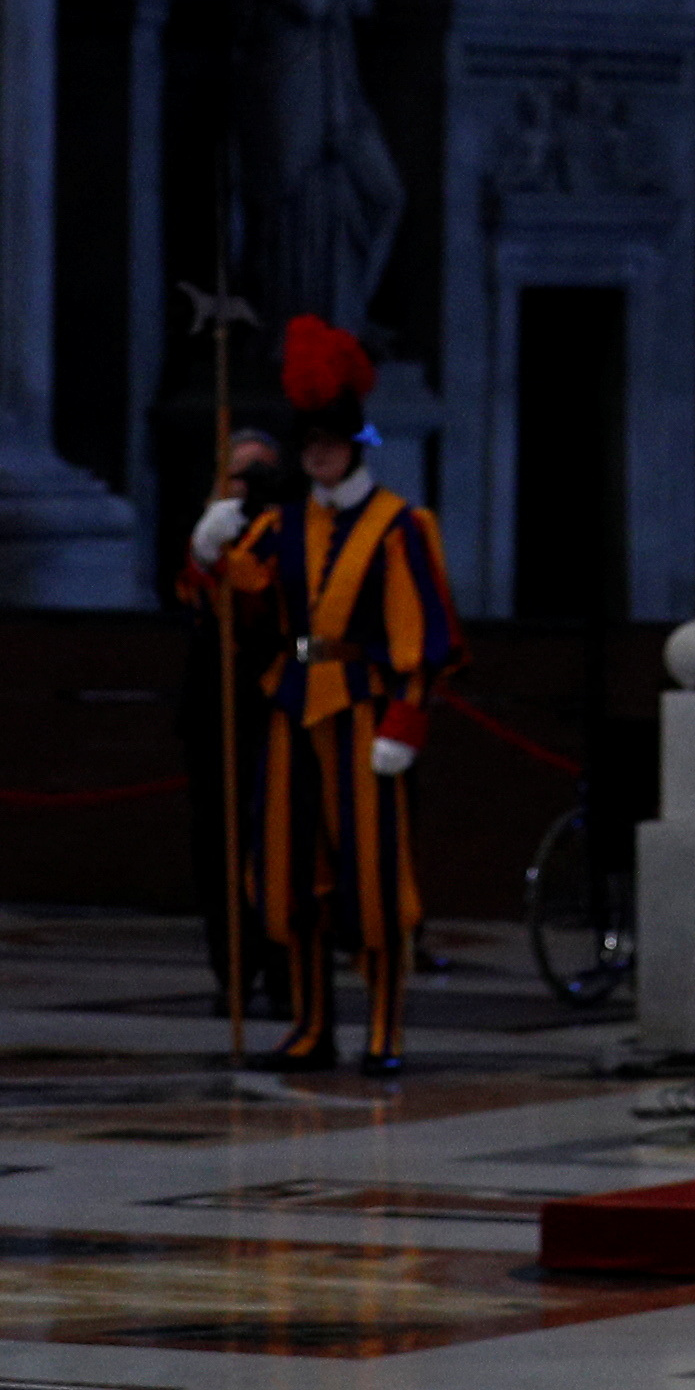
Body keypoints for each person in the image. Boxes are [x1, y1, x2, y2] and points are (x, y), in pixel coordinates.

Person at [188, 315, 459, 1072]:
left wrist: (404, 723)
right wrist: (215, 549)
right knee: (289, 872)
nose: (319, 457)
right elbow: (238, 606)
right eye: (309, 447)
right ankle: (310, 1024)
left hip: (364, 707)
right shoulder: (282, 524)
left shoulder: (401, 526)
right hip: (291, 700)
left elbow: (426, 634)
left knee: (370, 878)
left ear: (354, 447)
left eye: (330, 446)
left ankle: (383, 1029)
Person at [178, 425, 295, 1022]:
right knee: (218, 849)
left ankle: (283, 972)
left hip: (271, 706)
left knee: (276, 847)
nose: (246, 488)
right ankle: (231, 972)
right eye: (236, 476)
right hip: (213, 708)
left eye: (258, 475)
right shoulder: (211, 529)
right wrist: (206, 555)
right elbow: (192, 604)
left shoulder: (288, 534)